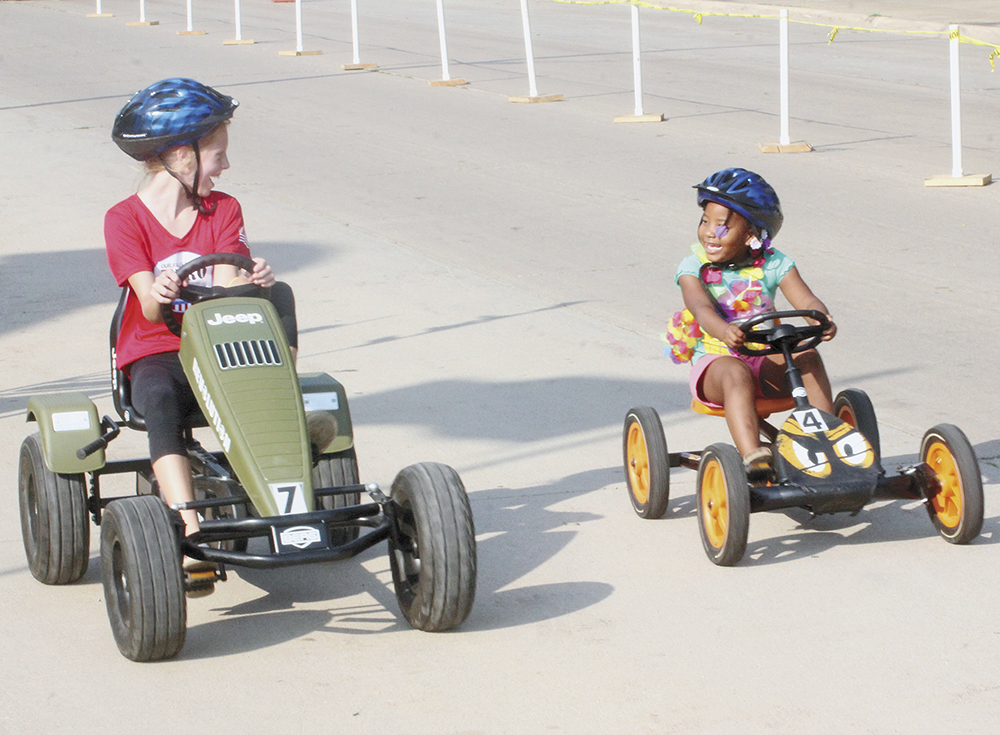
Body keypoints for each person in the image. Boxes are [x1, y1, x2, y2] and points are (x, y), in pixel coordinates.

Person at [105, 78, 333, 594]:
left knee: (278, 299)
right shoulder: (123, 220)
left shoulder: (223, 209)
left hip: (217, 343)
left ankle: (291, 432)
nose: (225, 167)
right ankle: (190, 529)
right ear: (180, 156)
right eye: (217, 155)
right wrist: (161, 288)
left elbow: (229, 282)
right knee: (160, 398)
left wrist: (249, 281)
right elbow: (144, 304)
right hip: (158, 349)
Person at [667, 168, 836, 475]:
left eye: (722, 226)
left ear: (750, 235)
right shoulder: (694, 267)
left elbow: (805, 300)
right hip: (716, 365)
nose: (709, 232)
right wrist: (723, 329)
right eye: (705, 221)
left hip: (764, 359)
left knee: (807, 357)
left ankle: (825, 441)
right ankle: (753, 456)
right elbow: (700, 308)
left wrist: (821, 317)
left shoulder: (774, 263)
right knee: (736, 373)